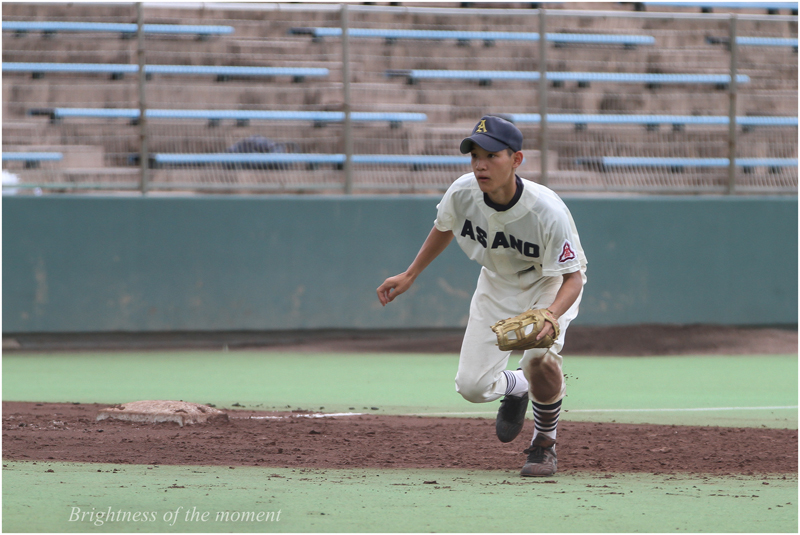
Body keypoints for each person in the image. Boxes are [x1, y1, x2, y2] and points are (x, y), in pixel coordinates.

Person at [376, 115, 587, 477]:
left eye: (491, 155)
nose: (480, 165)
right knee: (472, 387)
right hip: (496, 284)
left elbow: (574, 277)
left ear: (516, 160)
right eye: (474, 155)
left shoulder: (547, 211)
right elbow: (444, 226)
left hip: (547, 284)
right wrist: (411, 273)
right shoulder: (463, 192)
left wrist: (550, 314)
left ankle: (544, 444)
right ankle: (519, 386)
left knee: (539, 361)